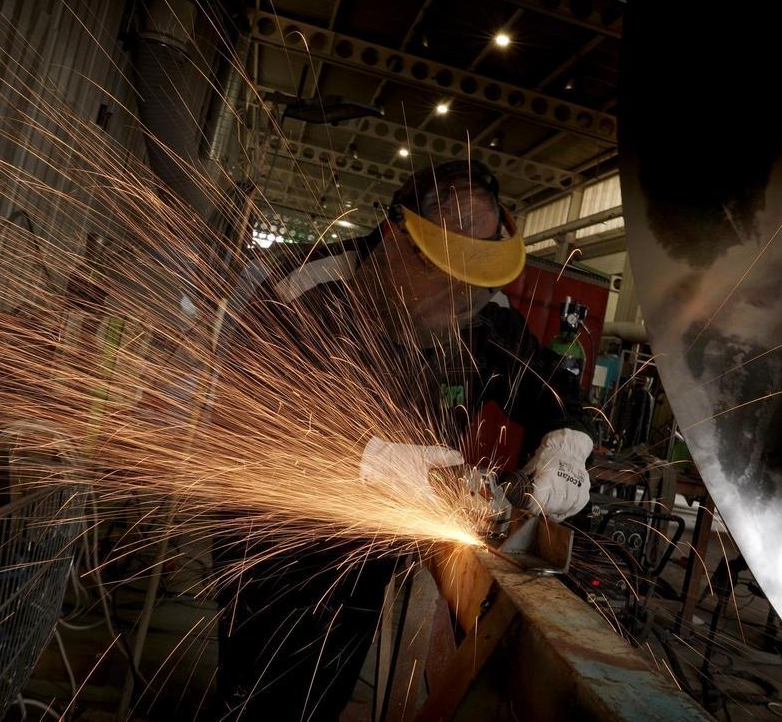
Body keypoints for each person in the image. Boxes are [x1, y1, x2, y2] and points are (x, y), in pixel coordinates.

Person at [214, 159, 594, 719]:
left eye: (471, 276)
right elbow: (242, 421)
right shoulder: (305, 291)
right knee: (263, 695)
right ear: (396, 236)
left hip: (374, 545)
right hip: (277, 545)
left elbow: (555, 393)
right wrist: (376, 460)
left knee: (326, 689)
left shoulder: (484, 313)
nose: (456, 295)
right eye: (440, 271)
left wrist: (569, 444)